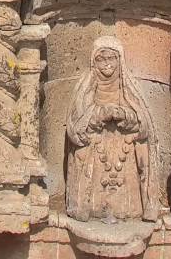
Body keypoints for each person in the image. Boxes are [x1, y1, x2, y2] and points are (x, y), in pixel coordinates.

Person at [65, 36, 156, 223]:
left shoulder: (130, 88)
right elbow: (75, 129)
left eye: (111, 59)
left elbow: (145, 125)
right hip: (95, 148)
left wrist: (125, 115)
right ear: (93, 62)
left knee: (141, 147)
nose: (107, 64)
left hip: (124, 150)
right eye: (101, 59)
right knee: (82, 149)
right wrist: (98, 115)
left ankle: (139, 206)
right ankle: (84, 205)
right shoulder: (85, 88)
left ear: (120, 60)